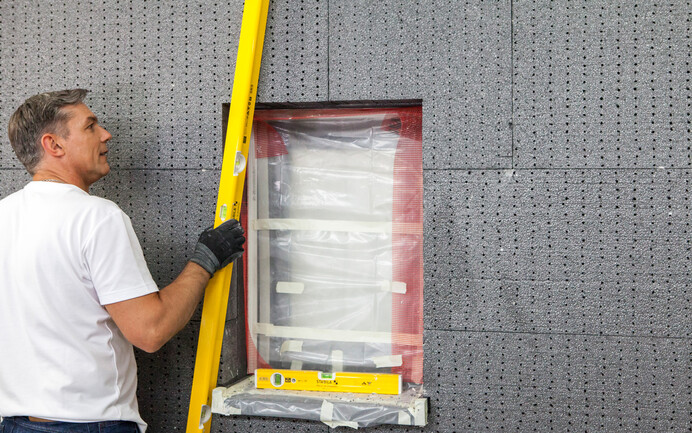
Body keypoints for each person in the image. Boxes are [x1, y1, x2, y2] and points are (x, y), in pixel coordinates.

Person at [0, 89, 245, 433]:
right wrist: (206, 260)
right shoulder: (96, 217)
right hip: (89, 425)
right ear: (53, 145)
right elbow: (150, 331)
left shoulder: (4, 215)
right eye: (90, 127)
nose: (106, 135)